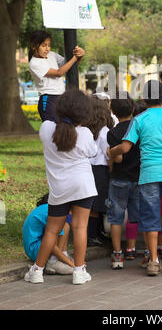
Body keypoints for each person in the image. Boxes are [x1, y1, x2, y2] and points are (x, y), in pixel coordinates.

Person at [107, 80, 162, 276]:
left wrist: (111, 151)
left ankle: (153, 261)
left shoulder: (139, 120)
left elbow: (125, 148)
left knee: (150, 217)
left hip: (149, 174)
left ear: (143, 98)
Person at [24, 89, 98, 285]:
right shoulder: (85, 133)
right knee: (80, 227)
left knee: (51, 231)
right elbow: (92, 152)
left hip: (60, 189)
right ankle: (79, 272)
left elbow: (50, 118)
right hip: (83, 185)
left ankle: (37, 271)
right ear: (83, 115)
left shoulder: (46, 128)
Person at [106, 93, 140, 270]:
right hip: (138, 178)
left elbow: (117, 159)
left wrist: (109, 154)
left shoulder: (113, 133)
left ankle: (117, 253)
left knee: (116, 217)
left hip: (119, 178)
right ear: (133, 109)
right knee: (135, 216)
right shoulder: (139, 128)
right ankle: (132, 248)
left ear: (112, 111)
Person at [28, 30, 85, 122]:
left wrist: (80, 56)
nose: (47, 49)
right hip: (49, 99)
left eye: (48, 45)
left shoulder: (52, 55)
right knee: (53, 132)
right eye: (43, 45)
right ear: (33, 46)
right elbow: (59, 73)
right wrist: (75, 57)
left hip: (61, 97)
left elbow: (68, 66)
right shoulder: (34, 63)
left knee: (67, 128)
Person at [86, 96, 114, 247]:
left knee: (93, 204)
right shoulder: (105, 131)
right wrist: (113, 170)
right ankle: (93, 235)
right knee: (97, 205)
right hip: (101, 170)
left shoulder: (88, 129)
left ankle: (96, 233)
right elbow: (108, 154)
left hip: (90, 168)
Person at [23, 193, 74, 275]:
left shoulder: (46, 209)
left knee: (65, 224)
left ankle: (58, 258)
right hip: (36, 250)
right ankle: (53, 261)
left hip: (34, 248)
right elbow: (51, 243)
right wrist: (72, 264)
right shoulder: (52, 213)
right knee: (63, 225)